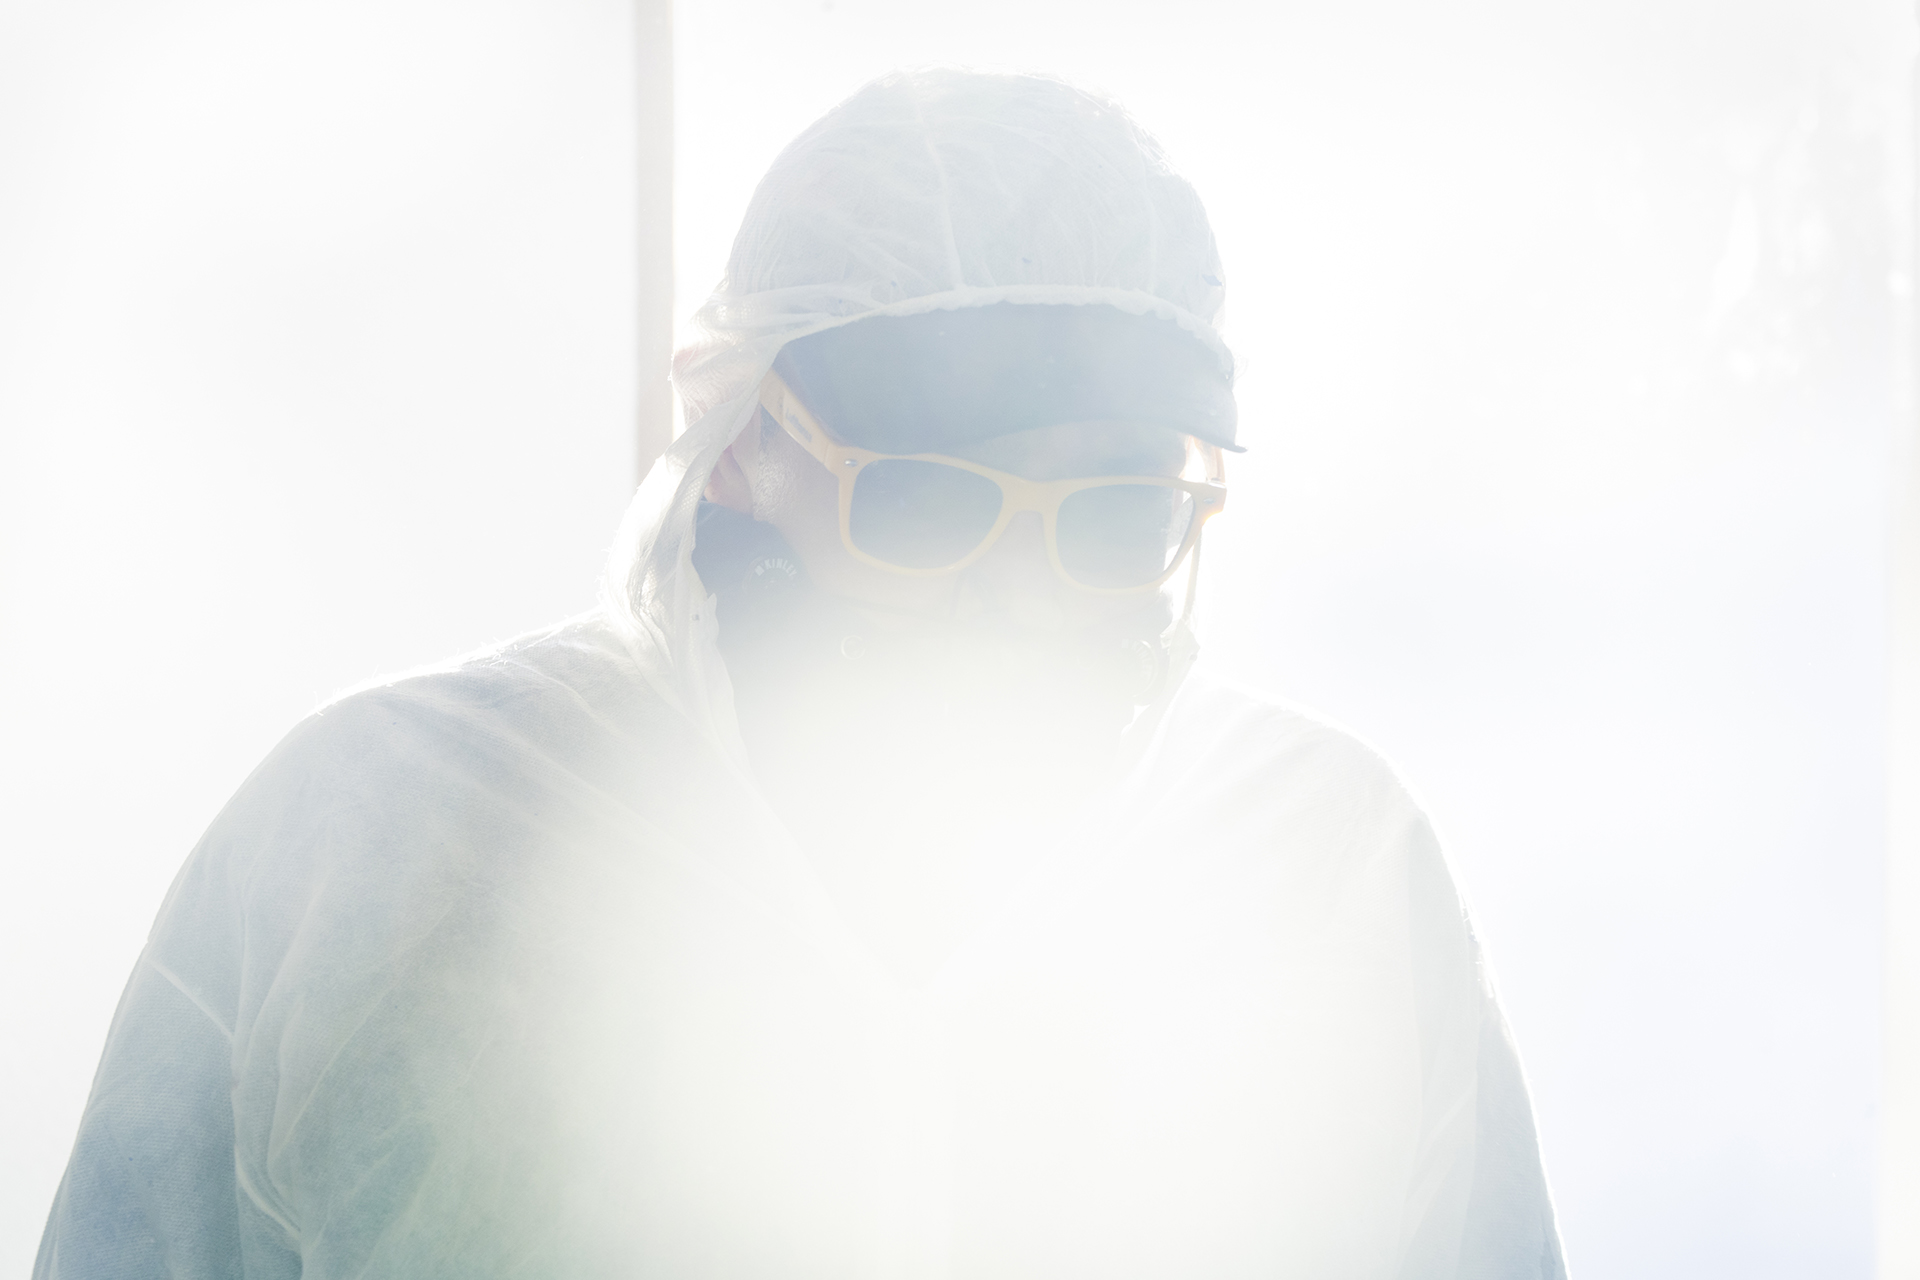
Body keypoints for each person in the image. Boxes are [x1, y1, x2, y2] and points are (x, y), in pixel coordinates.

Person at [35, 69, 1567, 1279]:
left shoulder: (1328, 871)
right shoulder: (378, 848)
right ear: (740, 447)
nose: (1024, 595)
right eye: (927, 502)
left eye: (1115, 514)